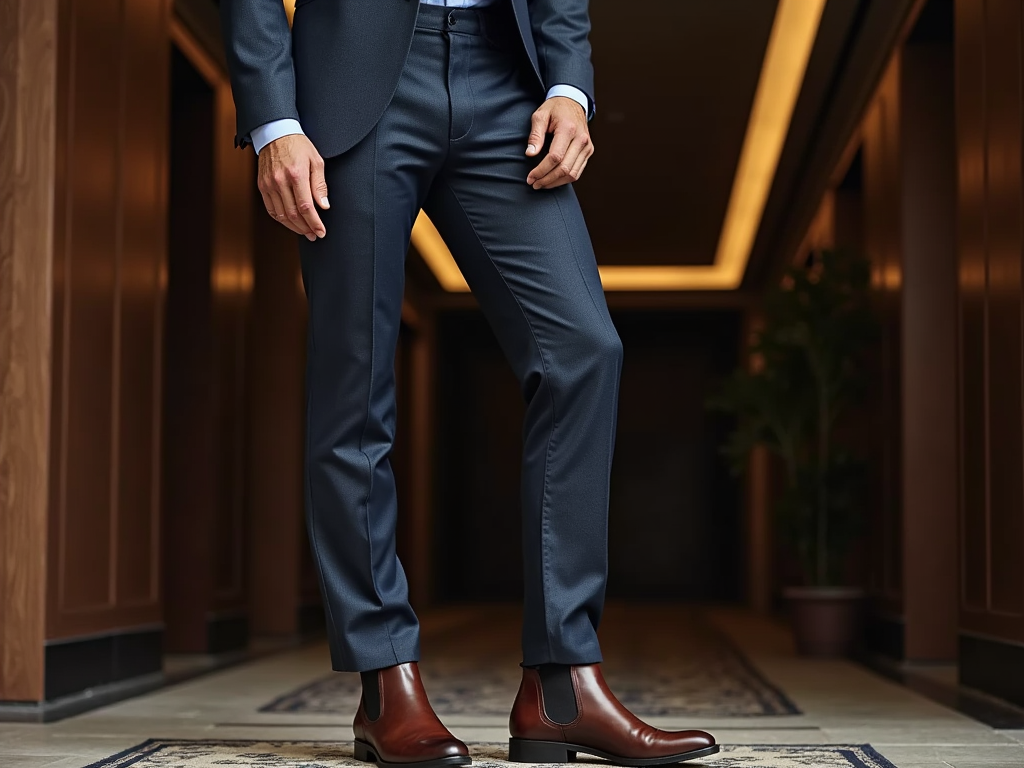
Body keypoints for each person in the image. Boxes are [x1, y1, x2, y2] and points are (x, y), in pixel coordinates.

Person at [219, 0, 718, 765]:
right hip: (356, 85)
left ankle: (561, 687)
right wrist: (273, 120)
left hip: (506, 82)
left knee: (583, 349)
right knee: (355, 391)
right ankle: (385, 680)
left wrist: (570, 86)